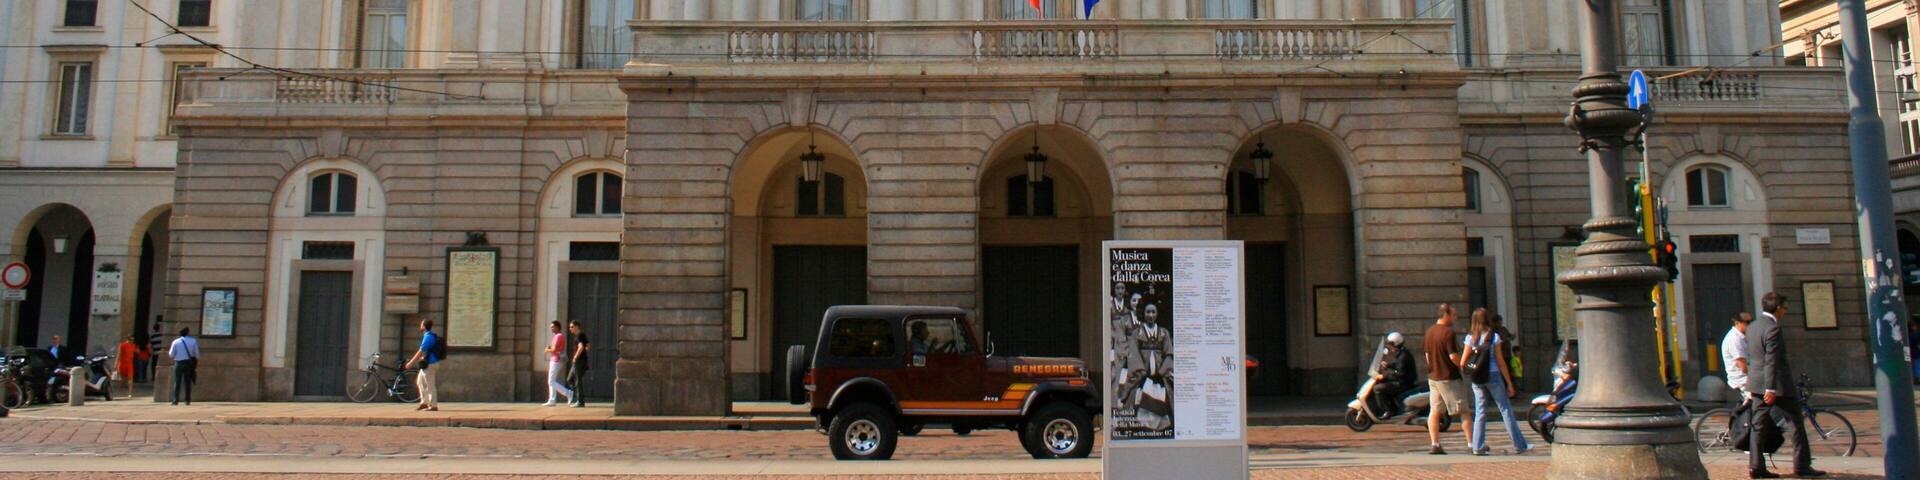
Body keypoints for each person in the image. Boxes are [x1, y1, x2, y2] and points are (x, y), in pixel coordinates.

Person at [1748, 293, 1823, 478]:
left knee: (1758, 426)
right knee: (1795, 424)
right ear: (1779, 308)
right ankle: (1802, 465)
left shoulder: (1753, 327)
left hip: (1756, 383)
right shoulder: (1773, 328)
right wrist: (1770, 388)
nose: (1786, 311)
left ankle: (1756, 467)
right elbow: (1771, 360)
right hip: (1777, 386)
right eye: (1785, 307)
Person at [1461, 308, 1529, 456]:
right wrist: (1509, 383)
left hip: (1477, 378)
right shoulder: (1494, 337)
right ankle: (1519, 445)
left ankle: (1477, 446)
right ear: (1488, 319)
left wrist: (1471, 369)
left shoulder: (1470, 337)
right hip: (1493, 375)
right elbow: (1501, 362)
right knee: (1505, 410)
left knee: (1480, 412)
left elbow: (1462, 362)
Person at [1424, 303, 1471, 455]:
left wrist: (1433, 368)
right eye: (1454, 314)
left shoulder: (1429, 332)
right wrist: (1464, 365)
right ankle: (1472, 444)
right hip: (1449, 377)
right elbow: (1453, 356)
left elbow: (1427, 356)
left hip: (1434, 377)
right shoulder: (1448, 333)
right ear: (1446, 314)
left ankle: (1435, 444)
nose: (1456, 317)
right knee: (1464, 411)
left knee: (1435, 411)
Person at [1368, 332, 1416, 417]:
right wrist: (1388, 365)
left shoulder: (1403, 356)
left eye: (1391, 345)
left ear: (1395, 344)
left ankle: (1390, 410)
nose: (1389, 347)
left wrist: (1384, 376)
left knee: (1378, 388)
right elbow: (1399, 366)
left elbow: (1400, 373)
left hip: (1403, 383)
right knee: (1382, 385)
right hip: (1402, 380)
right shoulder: (1402, 352)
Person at [405, 318, 443, 412]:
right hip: (429, 363)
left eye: (421, 324)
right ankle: (424, 403)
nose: (420, 326)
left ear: (424, 326)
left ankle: (433, 405)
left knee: (430, 384)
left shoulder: (428, 337)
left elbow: (421, 351)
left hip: (431, 364)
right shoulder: (429, 335)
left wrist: (411, 363)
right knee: (420, 381)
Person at [542, 321, 575, 407]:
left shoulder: (559, 336)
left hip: (556, 360)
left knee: (551, 381)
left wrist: (547, 350)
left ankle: (568, 393)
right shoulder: (557, 336)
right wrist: (551, 348)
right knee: (552, 380)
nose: (551, 328)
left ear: (557, 327)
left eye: (552, 327)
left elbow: (554, 349)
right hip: (555, 359)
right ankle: (552, 400)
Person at [1722, 313, 1752, 397]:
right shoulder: (1734, 339)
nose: (1749, 324)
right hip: (1742, 379)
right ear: (1737, 323)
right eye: (1747, 322)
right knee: (1760, 403)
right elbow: (1741, 365)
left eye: (1751, 321)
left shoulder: (1742, 336)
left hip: (1745, 377)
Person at [168, 328, 199, 405]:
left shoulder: (176, 342)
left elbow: (171, 354)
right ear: (188, 333)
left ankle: (175, 400)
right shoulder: (193, 341)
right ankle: (187, 400)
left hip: (178, 363)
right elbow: (197, 354)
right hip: (188, 363)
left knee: (177, 382)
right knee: (187, 382)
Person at [567, 321, 590, 408]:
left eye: (572, 327)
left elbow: (581, 347)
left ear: (577, 327)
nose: (570, 329)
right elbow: (588, 346)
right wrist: (586, 350)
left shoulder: (579, 335)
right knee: (570, 379)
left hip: (579, 361)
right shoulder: (581, 335)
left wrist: (575, 357)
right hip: (581, 361)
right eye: (570, 327)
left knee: (577, 381)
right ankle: (578, 397)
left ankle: (580, 401)